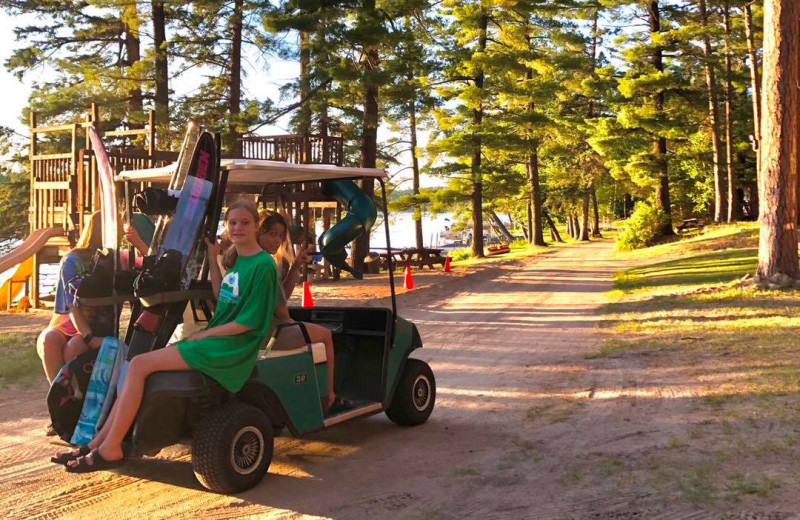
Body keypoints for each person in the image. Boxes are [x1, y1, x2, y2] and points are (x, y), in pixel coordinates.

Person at [61, 200, 278, 473]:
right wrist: (212, 257)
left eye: (245, 223)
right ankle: (99, 442)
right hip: (217, 339)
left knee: (139, 364)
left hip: (233, 346)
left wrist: (205, 335)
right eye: (232, 223)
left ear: (256, 226)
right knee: (138, 364)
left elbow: (251, 321)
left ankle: (111, 446)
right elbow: (222, 293)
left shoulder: (263, 265)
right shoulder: (237, 260)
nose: (237, 228)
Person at [37, 213, 148, 386]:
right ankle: (59, 393)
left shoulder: (120, 259)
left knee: (73, 349)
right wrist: (88, 337)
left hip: (96, 327)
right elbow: (70, 304)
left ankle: (76, 394)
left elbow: (152, 265)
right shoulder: (72, 260)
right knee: (48, 339)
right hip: (69, 324)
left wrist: (139, 244)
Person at [257, 212, 352, 414]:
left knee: (309, 332)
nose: (277, 240)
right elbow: (280, 309)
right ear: (259, 232)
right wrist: (289, 321)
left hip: (261, 328)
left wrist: (296, 265)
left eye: (280, 236)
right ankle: (330, 397)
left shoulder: (254, 259)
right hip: (271, 332)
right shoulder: (265, 263)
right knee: (326, 336)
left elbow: (282, 294)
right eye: (272, 234)